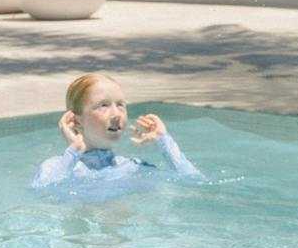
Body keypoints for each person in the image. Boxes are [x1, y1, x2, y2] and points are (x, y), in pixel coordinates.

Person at [30, 73, 202, 189]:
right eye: (103, 105)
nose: (116, 114)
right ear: (75, 120)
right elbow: (43, 191)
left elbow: (193, 181)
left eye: (120, 105)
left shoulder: (131, 167)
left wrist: (164, 141)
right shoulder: (57, 167)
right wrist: (74, 151)